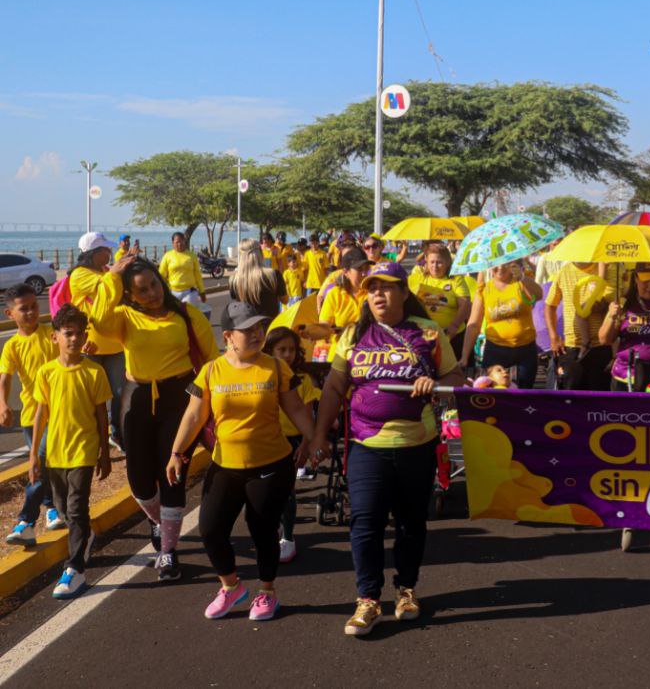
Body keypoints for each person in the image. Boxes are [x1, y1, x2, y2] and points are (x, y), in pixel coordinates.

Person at [311, 262, 463, 637]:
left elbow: (456, 377)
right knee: (365, 521)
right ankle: (368, 599)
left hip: (417, 443)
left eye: (387, 287)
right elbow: (333, 387)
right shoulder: (353, 333)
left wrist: (435, 382)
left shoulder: (428, 332)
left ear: (404, 292)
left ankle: (407, 590)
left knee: (412, 522)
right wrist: (317, 436)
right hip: (366, 445)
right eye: (372, 288)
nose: (378, 294)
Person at [166, 302, 314, 621]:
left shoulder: (275, 367)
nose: (257, 334)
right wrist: (177, 452)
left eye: (259, 328)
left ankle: (267, 592)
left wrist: (314, 439)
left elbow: (297, 409)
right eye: (248, 330)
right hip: (225, 465)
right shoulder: (211, 371)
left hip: (272, 464)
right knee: (210, 529)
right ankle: (231, 587)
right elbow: (193, 415)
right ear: (229, 336)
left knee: (262, 531)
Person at [88, 255, 217, 582]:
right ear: (130, 295)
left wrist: (214, 402)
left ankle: (168, 552)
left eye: (154, 285)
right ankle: (159, 520)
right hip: (138, 397)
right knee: (140, 481)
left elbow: (213, 362)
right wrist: (112, 278)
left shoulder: (185, 315)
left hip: (182, 398)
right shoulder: (124, 316)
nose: (152, 293)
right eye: (142, 290)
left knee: (173, 473)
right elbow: (99, 322)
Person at [28, 305, 112, 599]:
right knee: (63, 510)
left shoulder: (94, 371)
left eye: (79, 334)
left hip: (84, 452)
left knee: (77, 509)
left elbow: (102, 415)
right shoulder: (47, 373)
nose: (74, 339)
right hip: (55, 453)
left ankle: (74, 569)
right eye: (68, 334)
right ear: (55, 338)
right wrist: (33, 457)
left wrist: (104, 451)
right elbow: (41, 414)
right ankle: (85, 536)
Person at [2, 284, 60, 544]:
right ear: (9, 314)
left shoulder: (51, 334)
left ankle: (26, 521)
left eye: (34, 306)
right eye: (23, 309)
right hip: (30, 417)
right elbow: (5, 377)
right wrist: (3, 405)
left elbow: (72, 349)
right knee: (42, 465)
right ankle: (51, 509)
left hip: (58, 412)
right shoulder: (12, 346)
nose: (31, 312)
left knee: (40, 463)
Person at [265, 326, 322, 564]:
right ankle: (276, 526)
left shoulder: (303, 380)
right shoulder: (262, 376)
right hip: (267, 440)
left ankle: (288, 538)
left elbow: (307, 416)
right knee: (266, 491)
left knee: (286, 491)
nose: (287, 354)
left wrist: (307, 445)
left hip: (293, 441)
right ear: (270, 351)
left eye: (291, 349)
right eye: (281, 350)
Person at [69, 232, 127, 449]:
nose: (109, 252)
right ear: (93, 253)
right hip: (90, 346)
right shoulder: (80, 275)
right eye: (105, 250)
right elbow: (106, 288)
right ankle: (92, 440)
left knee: (120, 394)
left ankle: (117, 433)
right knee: (92, 399)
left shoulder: (105, 271)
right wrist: (117, 271)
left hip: (115, 344)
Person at [461, 260, 542, 389]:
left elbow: (539, 294)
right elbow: (474, 324)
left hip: (525, 349)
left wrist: (521, 277)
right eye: (495, 264)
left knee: (524, 394)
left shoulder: (520, 282)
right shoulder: (484, 290)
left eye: (504, 263)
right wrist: (464, 356)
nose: (500, 268)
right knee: (493, 393)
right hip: (496, 349)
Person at [544, 260, 613, 391]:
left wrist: (601, 305)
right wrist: (553, 337)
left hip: (600, 346)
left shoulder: (603, 268)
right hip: (571, 346)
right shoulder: (564, 271)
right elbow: (550, 305)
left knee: (599, 396)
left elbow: (612, 304)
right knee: (570, 393)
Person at [407, 243, 472, 362]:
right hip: (425, 336)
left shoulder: (456, 279)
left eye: (439, 262)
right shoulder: (420, 276)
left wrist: (454, 325)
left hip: (453, 336)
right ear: (426, 261)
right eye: (432, 262)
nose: (435, 266)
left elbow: (465, 304)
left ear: (447, 263)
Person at [228, 238, 288, 320]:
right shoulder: (273, 275)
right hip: (269, 325)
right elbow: (285, 300)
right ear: (260, 253)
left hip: (247, 326)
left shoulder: (234, 279)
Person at [159, 232, 206, 307]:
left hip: (189, 292)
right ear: (173, 243)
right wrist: (162, 291)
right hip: (173, 292)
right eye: (177, 242)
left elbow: (197, 275)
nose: (180, 244)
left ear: (185, 241)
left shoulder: (192, 256)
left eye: (182, 241)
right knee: (174, 316)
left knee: (188, 314)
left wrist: (202, 291)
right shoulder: (167, 256)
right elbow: (161, 275)